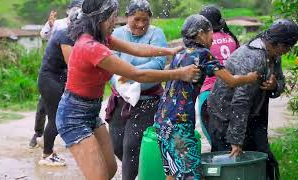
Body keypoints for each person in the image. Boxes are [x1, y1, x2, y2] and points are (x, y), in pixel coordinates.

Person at [55, 0, 203, 179]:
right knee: (99, 176)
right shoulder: (91, 47)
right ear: (101, 19)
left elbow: (136, 49)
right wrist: (179, 73)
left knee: (110, 170)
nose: (115, 22)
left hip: (91, 113)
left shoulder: (101, 39)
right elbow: (137, 75)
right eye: (112, 18)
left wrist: (168, 51)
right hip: (73, 117)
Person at [153, 14, 258, 180]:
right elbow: (230, 81)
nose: (213, 38)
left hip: (161, 120)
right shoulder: (203, 54)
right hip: (179, 124)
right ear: (201, 34)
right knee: (191, 175)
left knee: (172, 173)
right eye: (211, 33)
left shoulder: (180, 54)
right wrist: (251, 78)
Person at [207, 19, 298, 180]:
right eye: (288, 47)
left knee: (265, 161)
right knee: (230, 168)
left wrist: (275, 86)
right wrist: (236, 140)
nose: (287, 51)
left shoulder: (274, 54)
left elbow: (281, 81)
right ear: (278, 44)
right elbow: (240, 102)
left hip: (252, 115)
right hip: (225, 116)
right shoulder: (253, 57)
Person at [105, 0, 167, 179]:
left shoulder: (156, 34)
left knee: (131, 145)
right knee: (116, 145)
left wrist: (132, 78)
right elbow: (110, 64)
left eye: (145, 20)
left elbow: (158, 63)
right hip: (121, 98)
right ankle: (141, 172)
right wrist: (123, 83)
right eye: (136, 19)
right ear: (127, 17)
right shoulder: (116, 34)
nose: (141, 25)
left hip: (147, 100)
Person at [29, 0, 84, 148]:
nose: (78, 11)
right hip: (52, 69)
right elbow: (44, 35)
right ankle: (38, 135)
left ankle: (48, 140)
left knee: (60, 110)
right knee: (44, 107)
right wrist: (50, 25)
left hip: (62, 71)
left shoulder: (80, 28)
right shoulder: (61, 26)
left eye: (80, 9)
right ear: (69, 11)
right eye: (75, 9)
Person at [37, 6, 81, 166]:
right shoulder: (67, 36)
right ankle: (47, 155)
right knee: (57, 119)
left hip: (54, 79)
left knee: (55, 118)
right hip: (50, 80)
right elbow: (72, 65)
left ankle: (46, 144)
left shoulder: (70, 35)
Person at [197, 5, 240, 144]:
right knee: (231, 133)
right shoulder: (231, 38)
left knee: (212, 135)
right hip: (231, 92)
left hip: (209, 92)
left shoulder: (204, 41)